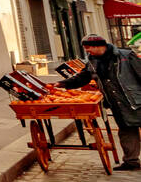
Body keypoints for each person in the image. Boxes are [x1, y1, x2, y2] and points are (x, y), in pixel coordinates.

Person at [57, 34, 141, 171]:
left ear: (98, 46)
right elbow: (83, 77)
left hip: (136, 99)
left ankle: (131, 161)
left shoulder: (125, 55)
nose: (87, 51)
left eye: (88, 48)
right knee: (127, 130)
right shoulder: (92, 61)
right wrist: (63, 84)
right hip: (117, 102)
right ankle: (131, 162)